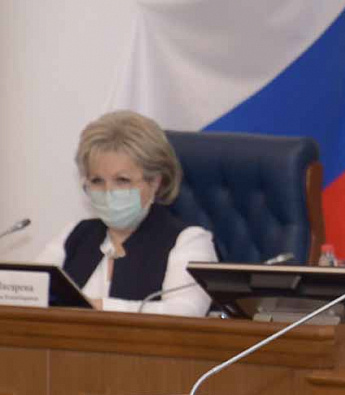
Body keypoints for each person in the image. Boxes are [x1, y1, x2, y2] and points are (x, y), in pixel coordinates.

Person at [37, 110, 216, 316]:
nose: (108, 192)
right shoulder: (74, 235)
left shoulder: (188, 241)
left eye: (122, 180)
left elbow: (185, 312)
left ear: (155, 182)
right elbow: (28, 292)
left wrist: (97, 307)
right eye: (97, 181)